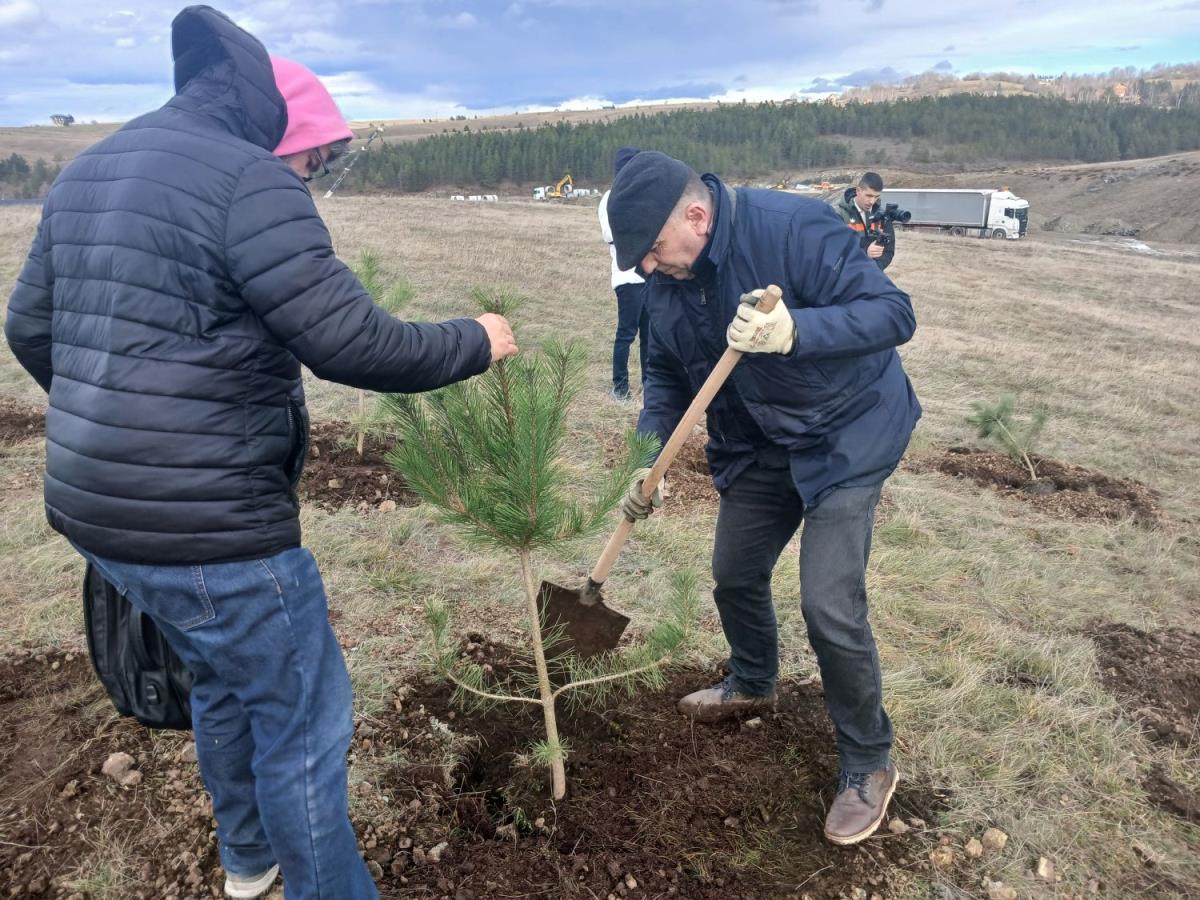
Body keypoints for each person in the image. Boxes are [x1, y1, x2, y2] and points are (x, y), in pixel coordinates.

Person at [3, 6, 516, 899]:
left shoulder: (91, 169)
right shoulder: (250, 179)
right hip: (214, 532)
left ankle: (248, 862)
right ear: (288, 137)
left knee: (221, 678)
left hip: (94, 511)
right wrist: (476, 338)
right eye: (317, 161)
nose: (316, 178)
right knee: (304, 725)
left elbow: (29, 329)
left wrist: (118, 424)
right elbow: (358, 346)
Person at [609, 151, 920, 847]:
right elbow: (662, 372)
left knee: (828, 604)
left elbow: (893, 314)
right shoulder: (668, 281)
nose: (651, 269)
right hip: (758, 443)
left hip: (847, 433)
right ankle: (753, 680)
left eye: (655, 250)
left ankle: (868, 761)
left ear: (696, 215)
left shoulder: (791, 228)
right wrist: (647, 454)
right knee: (735, 574)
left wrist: (795, 332)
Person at [598, 146, 648, 400]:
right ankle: (620, 387)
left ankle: (650, 387)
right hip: (627, 277)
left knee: (651, 337)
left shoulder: (644, 195)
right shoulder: (609, 198)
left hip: (650, 277)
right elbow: (610, 234)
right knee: (627, 334)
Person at [831, 172, 895, 270]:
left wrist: (873, 270)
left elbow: (889, 251)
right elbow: (834, 251)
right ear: (858, 191)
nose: (872, 201)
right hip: (847, 279)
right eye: (869, 196)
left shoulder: (883, 216)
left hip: (873, 277)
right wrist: (865, 253)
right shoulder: (838, 215)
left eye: (876, 196)